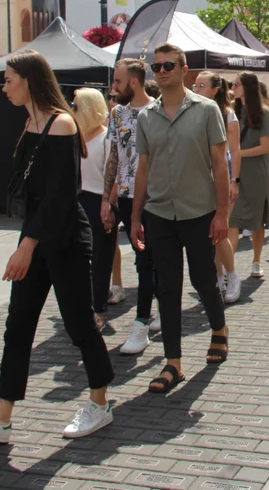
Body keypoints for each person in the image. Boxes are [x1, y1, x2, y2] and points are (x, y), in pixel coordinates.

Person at [0, 51, 114, 442]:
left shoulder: (61, 124)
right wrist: (27, 241)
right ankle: (1, 415)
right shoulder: (32, 121)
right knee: (18, 325)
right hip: (37, 235)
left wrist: (26, 246)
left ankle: (100, 403)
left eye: (9, 80)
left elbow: (60, 197)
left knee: (79, 324)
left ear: (29, 79)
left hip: (66, 239)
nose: (4, 88)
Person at [131, 44, 231, 394]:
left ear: (183, 69)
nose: (160, 71)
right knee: (167, 288)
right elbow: (142, 168)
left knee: (204, 280)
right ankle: (172, 362)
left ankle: (219, 329)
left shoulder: (206, 110)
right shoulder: (146, 116)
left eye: (168, 65)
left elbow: (220, 163)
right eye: (155, 66)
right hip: (158, 212)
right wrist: (134, 216)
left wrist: (221, 213)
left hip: (198, 211)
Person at [103, 60, 162, 353]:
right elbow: (114, 157)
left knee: (147, 260)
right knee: (145, 260)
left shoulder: (160, 110)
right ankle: (152, 314)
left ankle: (141, 323)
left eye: (118, 81)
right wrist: (107, 199)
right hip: (126, 197)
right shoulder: (117, 114)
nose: (114, 86)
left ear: (134, 83)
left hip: (157, 197)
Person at [192, 72, 243, 301]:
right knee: (206, 232)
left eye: (202, 85)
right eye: (195, 85)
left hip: (222, 174)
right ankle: (218, 277)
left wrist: (234, 181)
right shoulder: (192, 111)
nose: (197, 89)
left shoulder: (227, 114)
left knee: (219, 229)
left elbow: (235, 150)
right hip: (199, 175)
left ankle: (232, 276)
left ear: (215, 90)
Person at [71, 89, 114, 332]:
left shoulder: (107, 138)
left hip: (99, 202)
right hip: (77, 201)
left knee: (100, 260)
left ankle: (97, 310)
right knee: (79, 261)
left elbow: (111, 175)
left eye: (76, 106)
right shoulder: (74, 136)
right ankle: (82, 308)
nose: (71, 109)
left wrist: (108, 206)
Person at [230, 73, 269, 278]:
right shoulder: (232, 111)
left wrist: (238, 153)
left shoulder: (263, 113)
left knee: (257, 221)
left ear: (246, 87)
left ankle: (257, 260)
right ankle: (228, 267)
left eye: (236, 84)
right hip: (235, 174)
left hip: (256, 174)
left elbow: (265, 147)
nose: (233, 87)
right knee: (232, 220)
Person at [103, 92, 125, 306]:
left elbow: (115, 162)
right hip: (108, 195)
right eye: (109, 96)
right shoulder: (112, 121)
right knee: (110, 242)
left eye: (115, 96)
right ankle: (113, 285)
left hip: (123, 193)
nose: (111, 100)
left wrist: (110, 198)